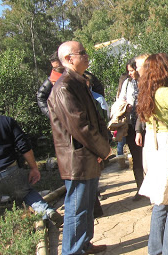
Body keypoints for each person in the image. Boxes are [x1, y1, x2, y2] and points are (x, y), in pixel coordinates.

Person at [48, 41, 111, 255]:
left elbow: (94, 118)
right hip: (78, 159)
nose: (86, 55)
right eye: (82, 53)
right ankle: (72, 251)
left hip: (88, 156)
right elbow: (80, 126)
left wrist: (103, 145)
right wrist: (104, 149)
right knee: (76, 209)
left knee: (86, 207)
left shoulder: (78, 82)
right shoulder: (64, 87)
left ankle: (84, 244)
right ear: (68, 59)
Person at [0, 96, 63, 239]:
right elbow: (24, 146)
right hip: (10, 169)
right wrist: (33, 168)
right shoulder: (5, 121)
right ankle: (46, 210)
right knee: (26, 192)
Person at [137, 53, 168, 255]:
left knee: (161, 202)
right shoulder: (165, 93)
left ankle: (155, 250)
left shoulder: (148, 91)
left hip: (157, 147)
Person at [37, 51, 105, 118]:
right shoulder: (53, 78)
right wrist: (53, 115)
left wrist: (96, 105)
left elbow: (98, 88)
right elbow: (41, 97)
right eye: (54, 68)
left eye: (58, 67)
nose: (56, 70)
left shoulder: (81, 73)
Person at [117, 57, 145, 201]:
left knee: (148, 158)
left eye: (132, 70)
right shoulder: (127, 83)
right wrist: (124, 106)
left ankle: (151, 188)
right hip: (131, 126)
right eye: (129, 71)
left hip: (146, 126)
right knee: (136, 159)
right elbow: (121, 99)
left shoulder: (145, 82)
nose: (130, 73)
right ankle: (140, 189)